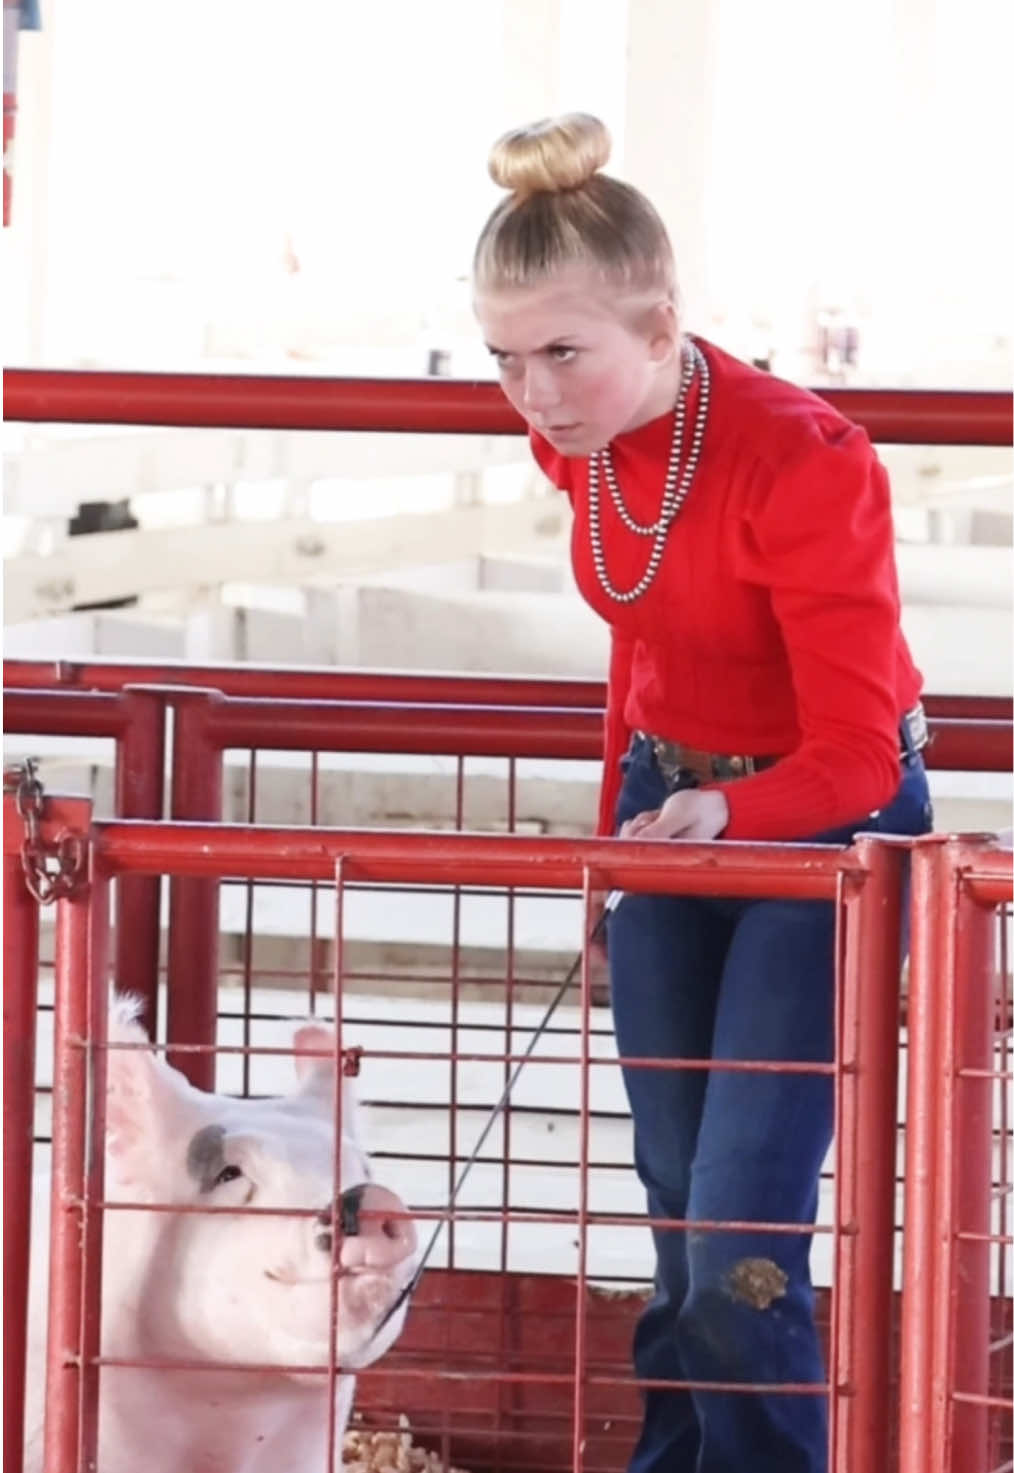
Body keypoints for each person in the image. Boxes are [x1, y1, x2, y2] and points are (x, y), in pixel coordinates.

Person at [470, 113, 932, 1473]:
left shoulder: (806, 459)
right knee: (673, 1200)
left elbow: (862, 752)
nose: (535, 395)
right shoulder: (580, 441)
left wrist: (723, 815)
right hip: (667, 807)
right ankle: (678, 1459)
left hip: (826, 829)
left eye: (563, 352)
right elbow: (641, 644)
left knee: (737, 1222)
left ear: (661, 320)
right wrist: (620, 839)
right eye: (505, 360)